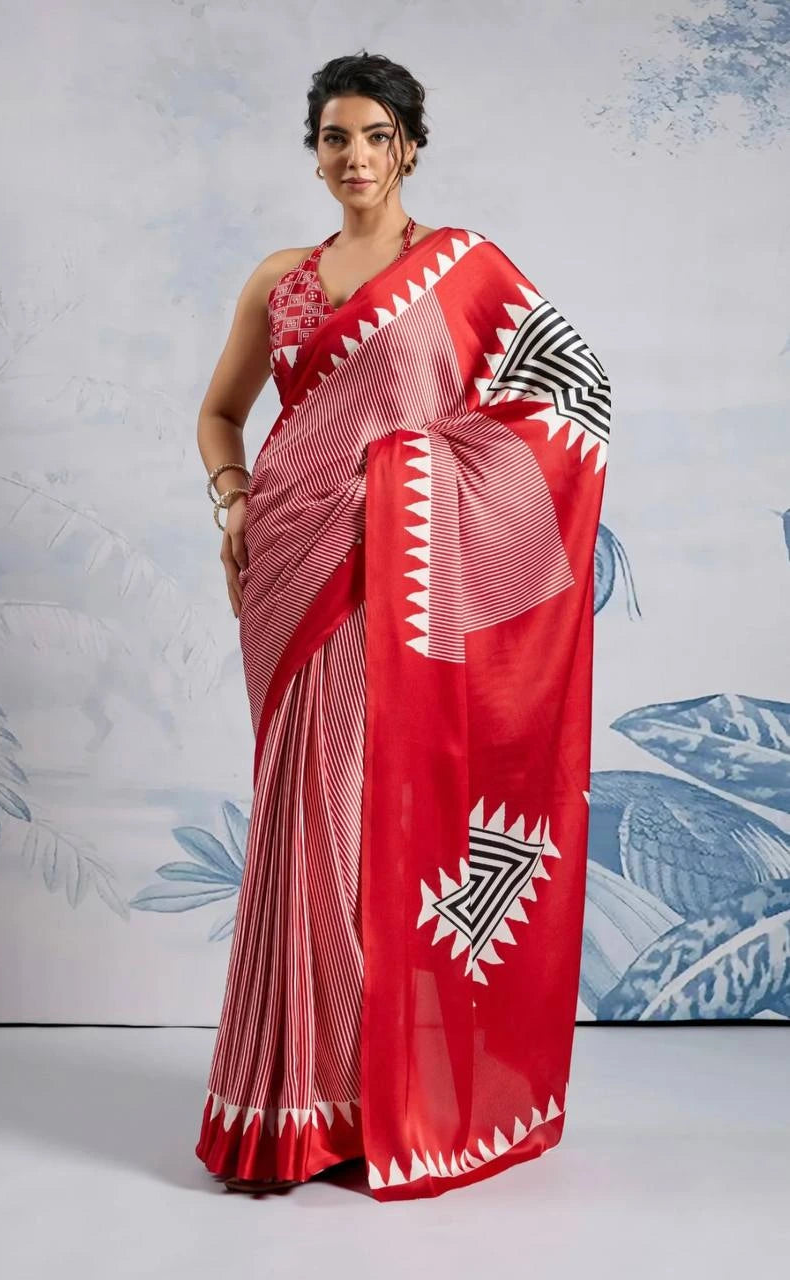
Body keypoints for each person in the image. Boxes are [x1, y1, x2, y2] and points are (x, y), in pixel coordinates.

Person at [194, 50, 611, 1202]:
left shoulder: (462, 270)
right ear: (315, 154)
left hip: (393, 583)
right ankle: (294, 1096)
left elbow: (574, 398)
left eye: (376, 135)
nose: (355, 156)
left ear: (410, 147)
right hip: (287, 570)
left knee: (358, 825)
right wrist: (233, 499)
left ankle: (365, 1095)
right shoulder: (279, 278)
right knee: (298, 818)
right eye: (335, 137)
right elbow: (221, 413)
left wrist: (408, 479)